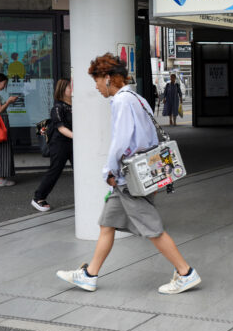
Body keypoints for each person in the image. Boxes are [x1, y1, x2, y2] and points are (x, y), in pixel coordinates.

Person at [56, 53, 201, 293]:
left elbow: (121, 142)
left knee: (152, 228)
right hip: (138, 174)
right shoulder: (137, 98)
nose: (96, 86)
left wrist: (108, 170)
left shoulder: (122, 101)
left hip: (129, 179)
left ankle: (185, 272)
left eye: (96, 80)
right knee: (107, 223)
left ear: (109, 78)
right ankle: (90, 275)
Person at [32, 78, 73, 212]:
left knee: (81, 170)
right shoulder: (57, 107)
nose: (72, 89)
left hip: (73, 143)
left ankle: (87, 196)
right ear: (62, 90)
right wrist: (79, 138)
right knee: (55, 170)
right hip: (59, 143)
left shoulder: (76, 105)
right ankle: (38, 197)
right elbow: (61, 128)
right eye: (69, 87)